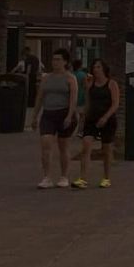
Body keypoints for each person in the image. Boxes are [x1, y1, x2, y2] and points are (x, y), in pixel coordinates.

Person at [31, 49, 78, 189]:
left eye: (58, 59)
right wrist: (34, 116)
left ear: (65, 62)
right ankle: (46, 177)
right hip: (48, 114)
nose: (55, 62)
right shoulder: (46, 78)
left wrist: (69, 116)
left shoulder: (70, 78)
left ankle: (64, 176)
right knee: (45, 144)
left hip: (64, 113)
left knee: (63, 147)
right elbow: (40, 98)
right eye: (53, 59)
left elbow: (73, 99)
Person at [74, 59, 119, 189]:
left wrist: (105, 117)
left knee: (106, 149)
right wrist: (84, 115)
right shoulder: (91, 84)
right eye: (94, 67)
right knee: (86, 145)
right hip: (92, 119)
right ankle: (83, 178)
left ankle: (106, 177)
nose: (96, 69)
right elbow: (88, 101)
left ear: (104, 69)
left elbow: (115, 103)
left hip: (107, 119)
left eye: (98, 67)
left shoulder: (111, 84)